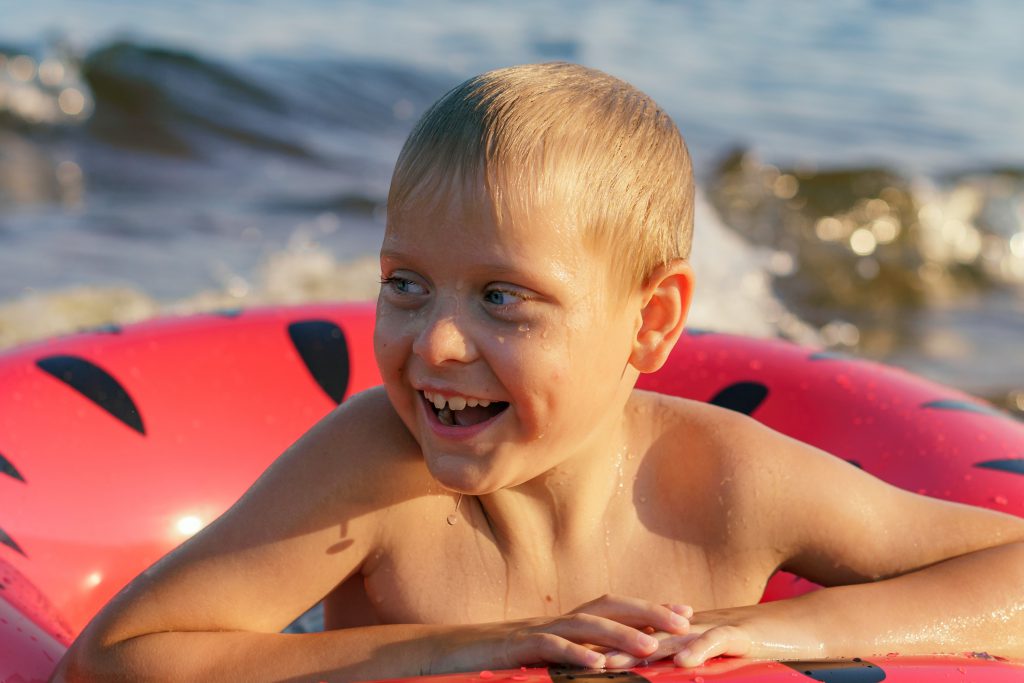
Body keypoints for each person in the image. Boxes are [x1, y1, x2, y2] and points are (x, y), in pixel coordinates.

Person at [55, 62, 1024, 683]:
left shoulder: (726, 482)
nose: (434, 342)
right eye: (405, 282)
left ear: (650, 323)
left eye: (501, 297)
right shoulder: (372, 477)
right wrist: (460, 647)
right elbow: (114, 661)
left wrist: (785, 629)